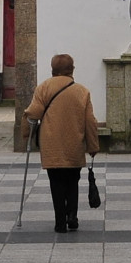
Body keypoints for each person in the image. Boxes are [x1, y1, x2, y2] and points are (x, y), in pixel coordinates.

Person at [23, 53, 100, 233]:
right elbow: (90, 121)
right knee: (73, 181)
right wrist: (93, 146)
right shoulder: (82, 91)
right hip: (74, 144)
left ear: (52, 69)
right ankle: (72, 216)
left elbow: (32, 114)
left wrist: (26, 133)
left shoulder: (44, 88)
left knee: (56, 182)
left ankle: (60, 222)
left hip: (52, 145)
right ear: (72, 69)